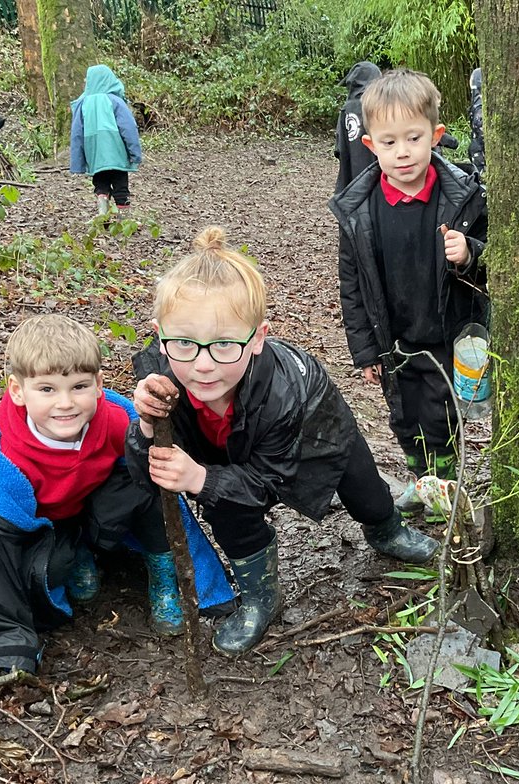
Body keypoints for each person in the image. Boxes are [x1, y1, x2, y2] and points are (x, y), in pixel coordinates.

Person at [126, 227, 439, 657]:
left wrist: (201, 476)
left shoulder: (287, 394)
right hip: (225, 454)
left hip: (314, 434)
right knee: (225, 506)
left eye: (223, 345)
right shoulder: (160, 378)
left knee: (362, 488)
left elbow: (271, 482)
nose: (202, 364)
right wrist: (145, 427)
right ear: (161, 336)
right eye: (184, 343)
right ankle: (262, 595)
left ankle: (386, 527)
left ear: (257, 337)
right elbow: (142, 475)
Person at [0, 315, 233, 674]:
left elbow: (159, 482)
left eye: (79, 386)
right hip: (44, 532)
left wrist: (206, 588)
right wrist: (9, 643)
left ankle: (164, 576)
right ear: (18, 391)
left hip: (94, 509)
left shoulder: (113, 419)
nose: (66, 403)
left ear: (99, 385)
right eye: (47, 389)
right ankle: (76, 559)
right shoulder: (5, 454)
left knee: (148, 475)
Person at [328, 68, 489, 511]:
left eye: (414, 138)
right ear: (369, 145)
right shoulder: (360, 212)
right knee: (404, 418)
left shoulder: (461, 197)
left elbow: (495, 262)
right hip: (392, 341)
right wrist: (364, 351)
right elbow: (352, 284)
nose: (403, 153)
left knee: (442, 421)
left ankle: (446, 492)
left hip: (443, 336)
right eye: (389, 142)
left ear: (436, 136)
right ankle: (421, 481)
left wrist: (470, 252)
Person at [70, 64, 143, 217]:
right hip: (118, 154)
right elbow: (129, 128)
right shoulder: (115, 101)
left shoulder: (83, 103)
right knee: (121, 186)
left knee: (100, 184)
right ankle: (125, 221)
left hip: (95, 155)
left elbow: (77, 134)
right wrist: (135, 153)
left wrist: (78, 162)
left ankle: (103, 216)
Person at [334, 61, 381, 194]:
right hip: (379, 175)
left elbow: (340, 148)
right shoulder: (381, 106)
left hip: (353, 176)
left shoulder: (346, 109)